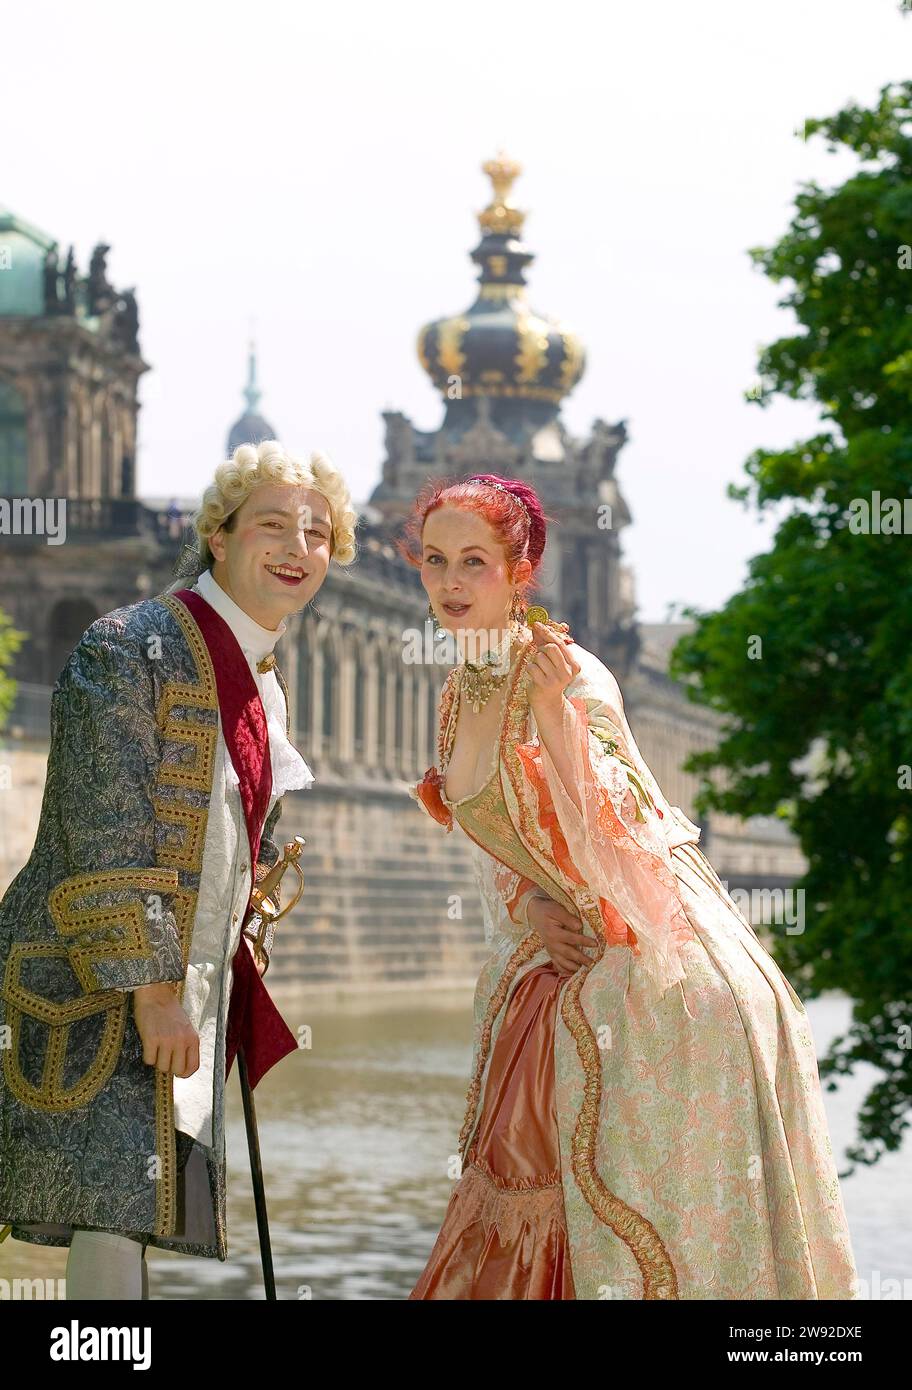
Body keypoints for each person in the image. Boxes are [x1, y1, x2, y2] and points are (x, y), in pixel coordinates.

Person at [402, 471, 858, 1301]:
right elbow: (512, 847)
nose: (452, 583)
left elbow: (638, 845)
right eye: (436, 561)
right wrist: (532, 902)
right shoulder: (460, 681)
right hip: (556, 961)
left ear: (519, 568)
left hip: (661, 978)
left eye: (476, 561)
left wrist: (556, 722)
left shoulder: (571, 674)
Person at [0, 439, 356, 1298]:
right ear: (219, 536)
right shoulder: (130, 645)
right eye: (273, 525)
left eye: (317, 533)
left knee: (129, 1208)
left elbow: (239, 832)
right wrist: (155, 991)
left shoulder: (256, 672)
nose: (296, 547)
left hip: (182, 987)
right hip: (95, 981)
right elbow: (107, 824)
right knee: (117, 1207)